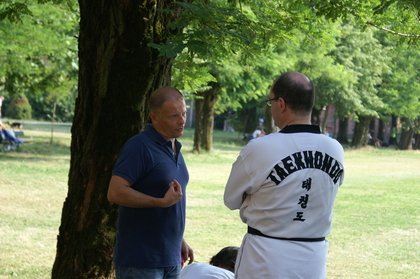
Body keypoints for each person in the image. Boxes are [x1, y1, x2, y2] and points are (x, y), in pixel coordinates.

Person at [224, 72, 345, 279]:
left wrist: (257, 200)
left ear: (280, 103)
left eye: (270, 102)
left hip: (265, 259)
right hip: (312, 260)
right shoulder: (335, 149)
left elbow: (231, 199)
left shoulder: (260, 148)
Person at [107, 86, 194, 279]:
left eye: (184, 113)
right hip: (141, 262)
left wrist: (179, 240)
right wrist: (160, 202)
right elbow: (115, 192)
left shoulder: (174, 146)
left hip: (170, 258)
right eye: (173, 116)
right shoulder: (139, 147)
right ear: (154, 117)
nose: (181, 121)